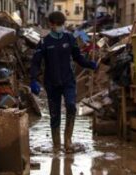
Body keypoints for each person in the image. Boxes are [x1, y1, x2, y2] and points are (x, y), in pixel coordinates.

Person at [30, 11, 98, 153]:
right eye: (58, 25)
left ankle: (68, 141)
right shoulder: (44, 42)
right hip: (51, 83)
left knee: (71, 105)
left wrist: (90, 64)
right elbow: (36, 63)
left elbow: (78, 58)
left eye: (62, 24)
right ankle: (56, 145)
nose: (60, 27)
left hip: (68, 80)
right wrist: (33, 80)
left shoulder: (69, 39)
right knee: (54, 114)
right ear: (51, 25)